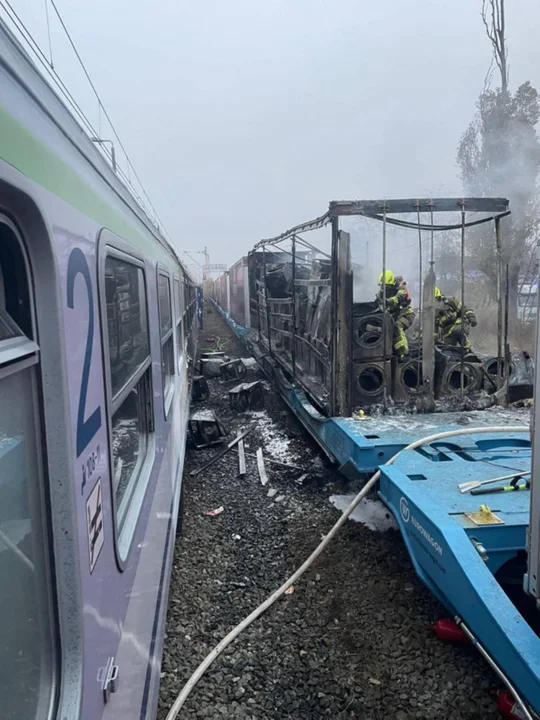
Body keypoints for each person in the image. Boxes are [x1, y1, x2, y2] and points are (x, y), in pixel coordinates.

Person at [376, 270, 415, 360]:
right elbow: (377, 303)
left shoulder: (400, 288)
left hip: (406, 315)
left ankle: (403, 353)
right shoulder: (381, 293)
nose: (383, 288)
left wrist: (388, 301)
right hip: (393, 316)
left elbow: (399, 298)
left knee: (397, 326)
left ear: (391, 284)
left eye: (386, 286)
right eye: (382, 286)